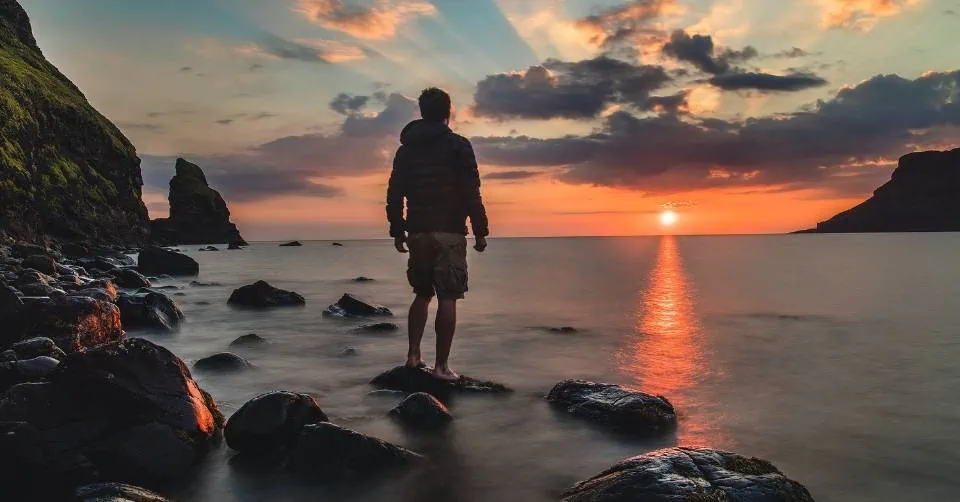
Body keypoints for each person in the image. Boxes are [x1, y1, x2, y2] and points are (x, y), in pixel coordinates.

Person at [386, 87, 489, 382]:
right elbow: (471, 190)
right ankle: (441, 367)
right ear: (448, 112)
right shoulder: (458, 145)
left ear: (421, 112)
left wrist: (397, 228)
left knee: (421, 294)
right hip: (449, 231)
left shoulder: (406, 150)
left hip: (417, 230)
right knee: (448, 297)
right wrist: (480, 231)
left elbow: (395, 192)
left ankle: (413, 356)